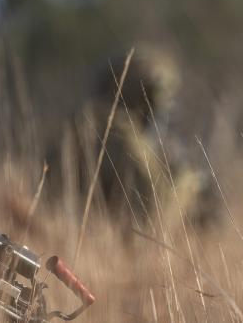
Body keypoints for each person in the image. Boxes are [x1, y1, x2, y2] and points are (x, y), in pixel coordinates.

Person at [45, 49, 216, 231]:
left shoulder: (86, 124)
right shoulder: (121, 136)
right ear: (146, 97)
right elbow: (153, 220)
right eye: (165, 98)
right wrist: (187, 185)